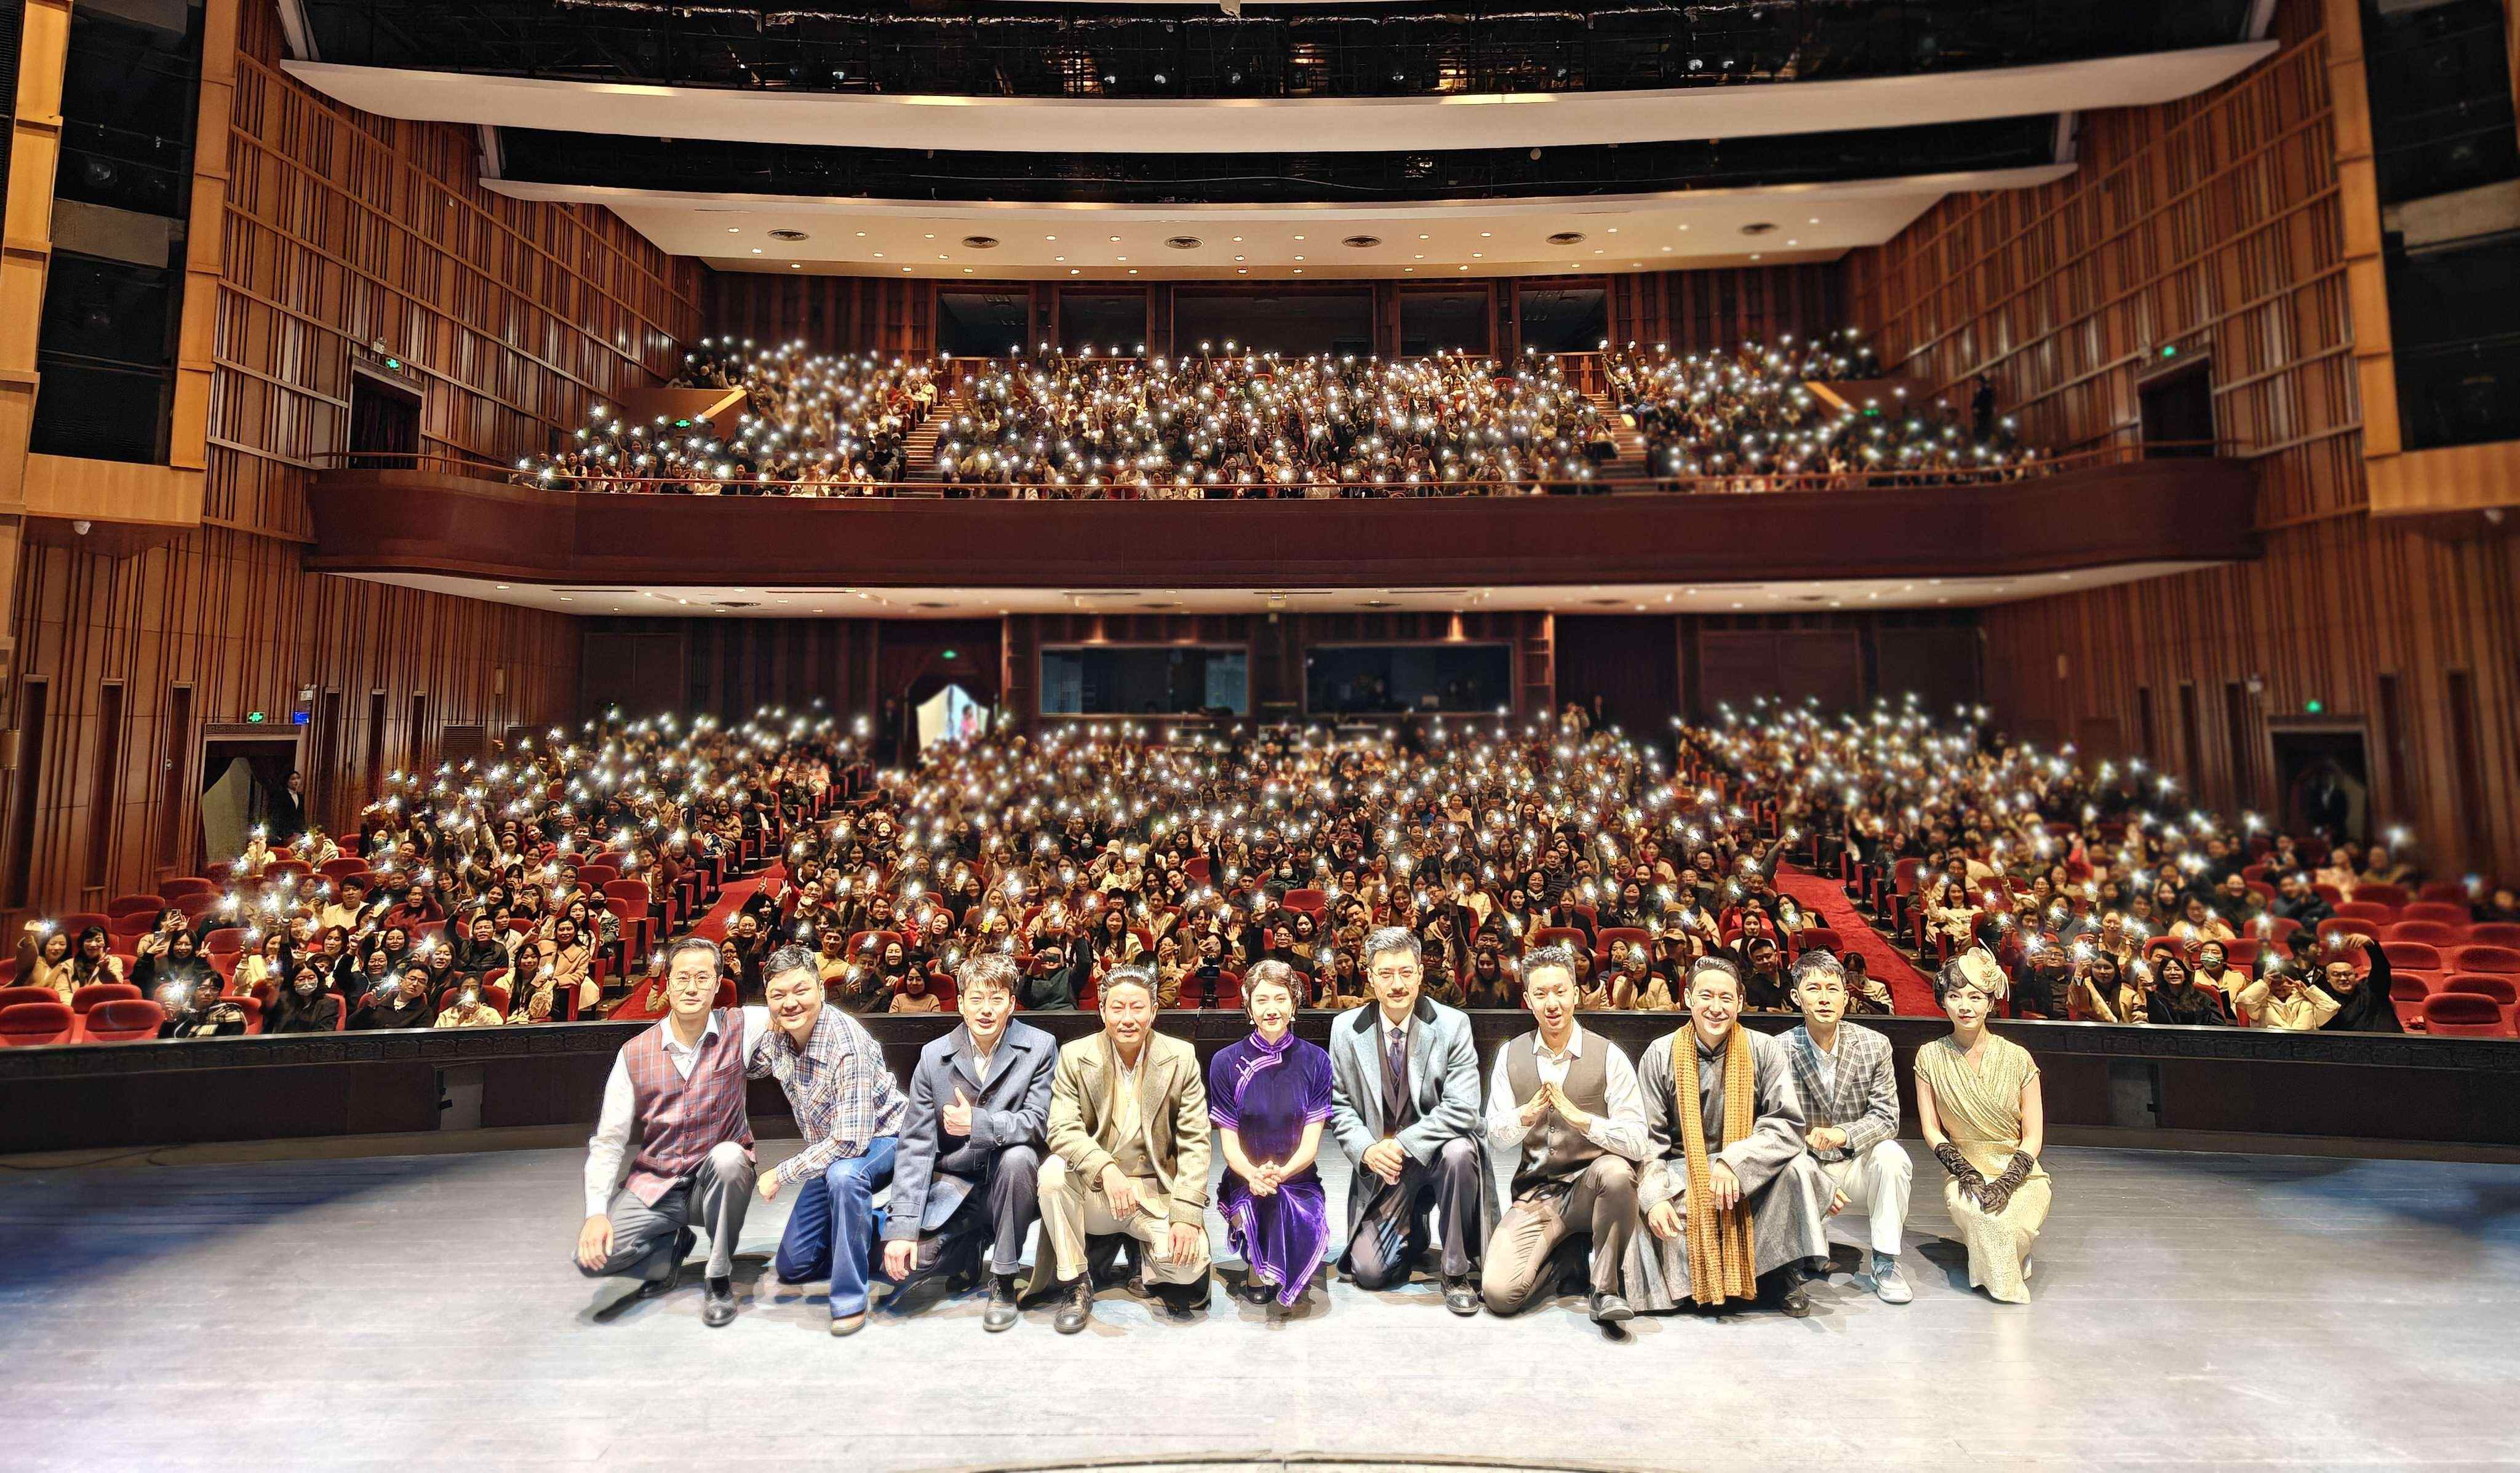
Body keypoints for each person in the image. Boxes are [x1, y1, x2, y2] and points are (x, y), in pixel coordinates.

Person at [1626, 955, 1831, 1316]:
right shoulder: (1660, 1053)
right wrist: (1655, 1197)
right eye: (1706, 996)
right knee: (1641, 1198)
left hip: (1749, 1172)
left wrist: (1733, 1162)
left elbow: (1786, 1124)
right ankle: (1698, 1283)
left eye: (1726, 998)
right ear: (1688, 998)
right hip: (1682, 1172)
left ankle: (1779, 1275)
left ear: (1740, 1002)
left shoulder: (1763, 1049)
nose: (1716, 1008)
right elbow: (1649, 1141)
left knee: (1799, 1168)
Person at [575, 935, 759, 1328]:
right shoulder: (634, 1052)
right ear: (668, 984)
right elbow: (608, 1141)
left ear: (718, 984)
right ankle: (669, 1248)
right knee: (593, 1259)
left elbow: (796, 1008)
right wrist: (595, 1213)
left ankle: (718, 1276)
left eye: (702, 978)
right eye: (682, 978)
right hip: (657, 1184)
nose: (692, 988)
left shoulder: (742, 1026)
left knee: (729, 1158)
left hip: (716, 1180)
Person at [879, 954, 1055, 1333]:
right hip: (954, 1186)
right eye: (976, 999)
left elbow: (1039, 1122)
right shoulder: (933, 1056)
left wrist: (978, 1123)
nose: (986, 1010)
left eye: (996, 999)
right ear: (960, 1003)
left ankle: (1003, 1279)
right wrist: (903, 1228)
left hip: (1012, 1185)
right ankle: (970, 1244)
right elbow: (915, 1145)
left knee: (1020, 1157)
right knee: (907, 1263)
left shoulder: (1041, 1047)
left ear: (1012, 1003)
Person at [1325, 926, 1494, 1316]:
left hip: (1438, 1155)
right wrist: (1367, 1150)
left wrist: (1402, 1144)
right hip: (1384, 1168)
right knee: (1370, 1273)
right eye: (1386, 974)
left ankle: (1456, 1271)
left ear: (1420, 973)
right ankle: (1413, 1229)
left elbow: (1464, 1108)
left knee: (1460, 1150)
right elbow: (1339, 1103)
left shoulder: (1453, 1024)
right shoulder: (1345, 1029)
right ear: (1370, 977)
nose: (1397, 984)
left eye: (1405, 972)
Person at [1033, 965, 1213, 1331]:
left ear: (1154, 1011)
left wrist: (1186, 1215)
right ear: (1102, 1011)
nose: (1127, 1018)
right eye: (1117, 1008)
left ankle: (1143, 1255)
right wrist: (1104, 1168)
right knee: (1052, 1174)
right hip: (1099, 1191)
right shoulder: (1075, 1055)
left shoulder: (1181, 1057)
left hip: (1154, 1193)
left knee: (1188, 1268)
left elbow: (1196, 1141)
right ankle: (1076, 1282)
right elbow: (1061, 1128)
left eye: (1137, 1007)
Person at [1478, 943, 1649, 1324]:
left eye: (1560, 991)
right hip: (1537, 1195)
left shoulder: (1609, 1055)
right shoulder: (1510, 1055)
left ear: (1575, 993)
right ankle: (1566, 1260)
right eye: (1541, 994)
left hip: (1593, 1191)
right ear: (1528, 1001)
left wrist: (1584, 1120)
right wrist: (1524, 1116)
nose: (1552, 1003)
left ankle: (1605, 1290)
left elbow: (1639, 1141)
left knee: (1617, 1173)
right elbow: (1496, 1138)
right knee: (1500, 1295)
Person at [746, 944, 906, 1336]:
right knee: (794, 1265)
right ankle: (880, 1230)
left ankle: (850, 1299)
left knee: (845, 1177)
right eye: (778, 995)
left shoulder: (847, 1044)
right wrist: (758, 1024)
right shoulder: (780, 1035)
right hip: (830, 1151)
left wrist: (780, 1174)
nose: (790, 1003)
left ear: (820, 989)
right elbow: (750, 1068)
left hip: (886, 1138)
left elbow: (851, 1142)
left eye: (800, 990)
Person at [1915, 953, 2050, 1304]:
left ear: (1990, 1003)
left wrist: (2006, 1183)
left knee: (2006, 1222)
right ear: (1943, 1001)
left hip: (2021, 1173)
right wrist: (1966, 1173)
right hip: (1967, 1171)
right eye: (1955, 996)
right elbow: (1931, 1130)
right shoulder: (1929, 1056)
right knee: (1989, 1220)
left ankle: (2007, 1256)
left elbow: (2034, 1136)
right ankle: (2008, 1264)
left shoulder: (2018, 1057)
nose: (1965, 1006)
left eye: (1975, 997)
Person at [1779, 950, 1913, 1303]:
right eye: (1813, 989)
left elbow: (1887, 1117)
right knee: (1782, 1164)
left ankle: (1886, 1261)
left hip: (1855, 1162)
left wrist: (1844, 1134)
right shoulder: (1777, 1049)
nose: (1824, 998)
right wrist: (1812, 1169)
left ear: (1845, 996)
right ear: (1796, 997)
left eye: (1832, 989)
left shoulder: (1874, 1045)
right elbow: (1774, 1123)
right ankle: (1795, 1254)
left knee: (1892, 1156)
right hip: (1804, 1165)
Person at [1208, 959, 1335, 1311]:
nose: (1271, 1009)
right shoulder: (1224, 1062)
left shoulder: (1317, 1060)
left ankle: (1281, 1264)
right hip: (1245, 1176)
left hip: (1298, 1176)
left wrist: (1281, 1173)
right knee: (1260, 1200)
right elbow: (1229, 1145)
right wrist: (1254, 1175)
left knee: (1286, 1203)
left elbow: (1310, 1145)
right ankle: (1258, 1262)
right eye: (1262, 1000)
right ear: (1248, 1006)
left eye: (1280, 999)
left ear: (1294, 1005)